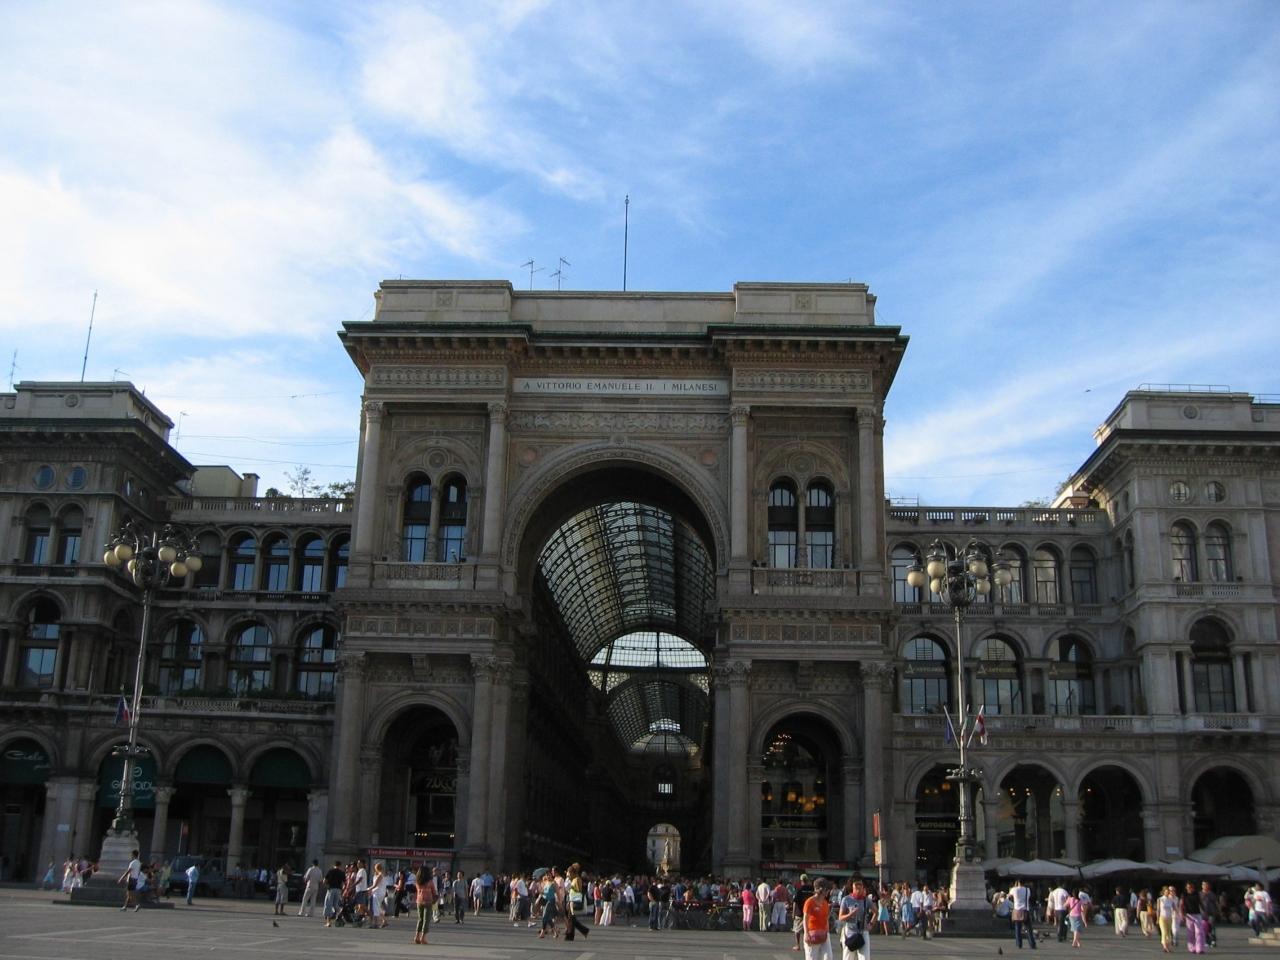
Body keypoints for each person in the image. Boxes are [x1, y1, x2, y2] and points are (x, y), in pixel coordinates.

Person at [838, 878, 871, 960]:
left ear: (863, 887)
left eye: (860, 884)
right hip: (850, 932)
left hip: (863, 931)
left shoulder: (866, 900)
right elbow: (840, 917)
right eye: (856, 884)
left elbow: (876, 912)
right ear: (852, 887)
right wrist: (850, 914)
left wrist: (871, 924)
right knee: (848, 958)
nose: (858, 887)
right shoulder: (846, 899)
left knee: (864, 958)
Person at [802, 877, 833, 960]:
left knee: (828, 957)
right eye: (827, 889)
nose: (828, 891)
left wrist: (827, 932)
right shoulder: (809, 902)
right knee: (812, 958)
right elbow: (805, 919)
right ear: (821, 890)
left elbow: (826, 919)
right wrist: (806, 934)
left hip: (824, 933)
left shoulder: (825, 903)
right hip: (812, 933)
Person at [1009, 878, 1037, 949]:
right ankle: (1032, 944)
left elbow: (1009, 895)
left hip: (1017, 910)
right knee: (1029, 929)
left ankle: (1019, 944)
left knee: (1018, 929)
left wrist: (1015, 886)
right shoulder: (1027, 890)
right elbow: (1029, 897)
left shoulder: (1014, 889)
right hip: (1025, 910)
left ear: (1018, 882)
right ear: (1024, 883)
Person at [1181, 882, 1206, 954]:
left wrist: (1205, 911)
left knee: (1199, 932)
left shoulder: (1197, 894)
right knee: (1190, 933)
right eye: (1188, 887)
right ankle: (1192, 947)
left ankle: (1199, 948)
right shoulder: (1184, 895)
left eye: (1191, 887)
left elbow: (1201, 903)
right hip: (1189, 915)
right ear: (1186, 888)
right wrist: (1182, 915)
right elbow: (1181, 905)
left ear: (1193, 888)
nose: (1190, 888)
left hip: (1197, 914)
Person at [414, 864, 436, 944]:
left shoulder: (417, 881)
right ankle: (423, 938)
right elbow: (434, 891)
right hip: (428, 901)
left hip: (419, 901)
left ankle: (416, 936)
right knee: (426, 920)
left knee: (420, 919)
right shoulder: (430, 881)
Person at [1157, 885, 1179, 953]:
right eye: (1166, 892)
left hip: (1169, 918)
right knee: (1164, 932)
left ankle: (1168, 946)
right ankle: (1165, 946)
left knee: (1168, 933)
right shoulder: (1160, 899)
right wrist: (1157, 918)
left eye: (1168, 892)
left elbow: (1175, 908)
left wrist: (1178, 914)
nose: (1167, 893)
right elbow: (1158, 910)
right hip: (1162, 918)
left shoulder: (1171, 899)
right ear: (1163, 892)